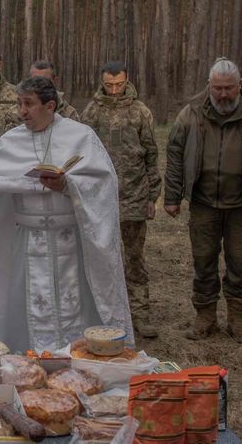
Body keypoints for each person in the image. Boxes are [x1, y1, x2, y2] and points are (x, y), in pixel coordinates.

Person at [0, 76, 131, 351]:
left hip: (70, 244)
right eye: (19, 104)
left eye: (28, 104)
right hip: (29, 243)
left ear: (50, 105)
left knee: (75, 306)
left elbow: (103, 183)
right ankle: (30, 358)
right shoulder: (12, 140)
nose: (22, 112)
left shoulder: (81, 136)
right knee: (28, 306)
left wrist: (67, 184)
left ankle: (76, 359)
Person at [164, 57, 242, 343]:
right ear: (209, 85)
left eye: (228, 88)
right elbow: (174, 156)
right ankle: (205, 317)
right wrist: (172, 196)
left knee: (239, 262)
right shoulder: (190, 114)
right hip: (203, 204)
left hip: (241, 206)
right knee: (203, 260)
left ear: (240, 84)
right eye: (217, 88)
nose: (222, 94)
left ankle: (237, 318)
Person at [80, 61, 161, 338]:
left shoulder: (140, 112)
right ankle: (106, 313)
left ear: (127, 81)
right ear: (102, 82)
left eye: (119, 85)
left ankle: (140, 315)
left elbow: (151, 154)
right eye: (109, 85)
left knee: (134, 259)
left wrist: (152, 195)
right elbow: (82, 153)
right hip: (100, 201)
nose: (114, 90)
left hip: (134, 198)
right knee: (100, 258)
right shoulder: (92, 112)